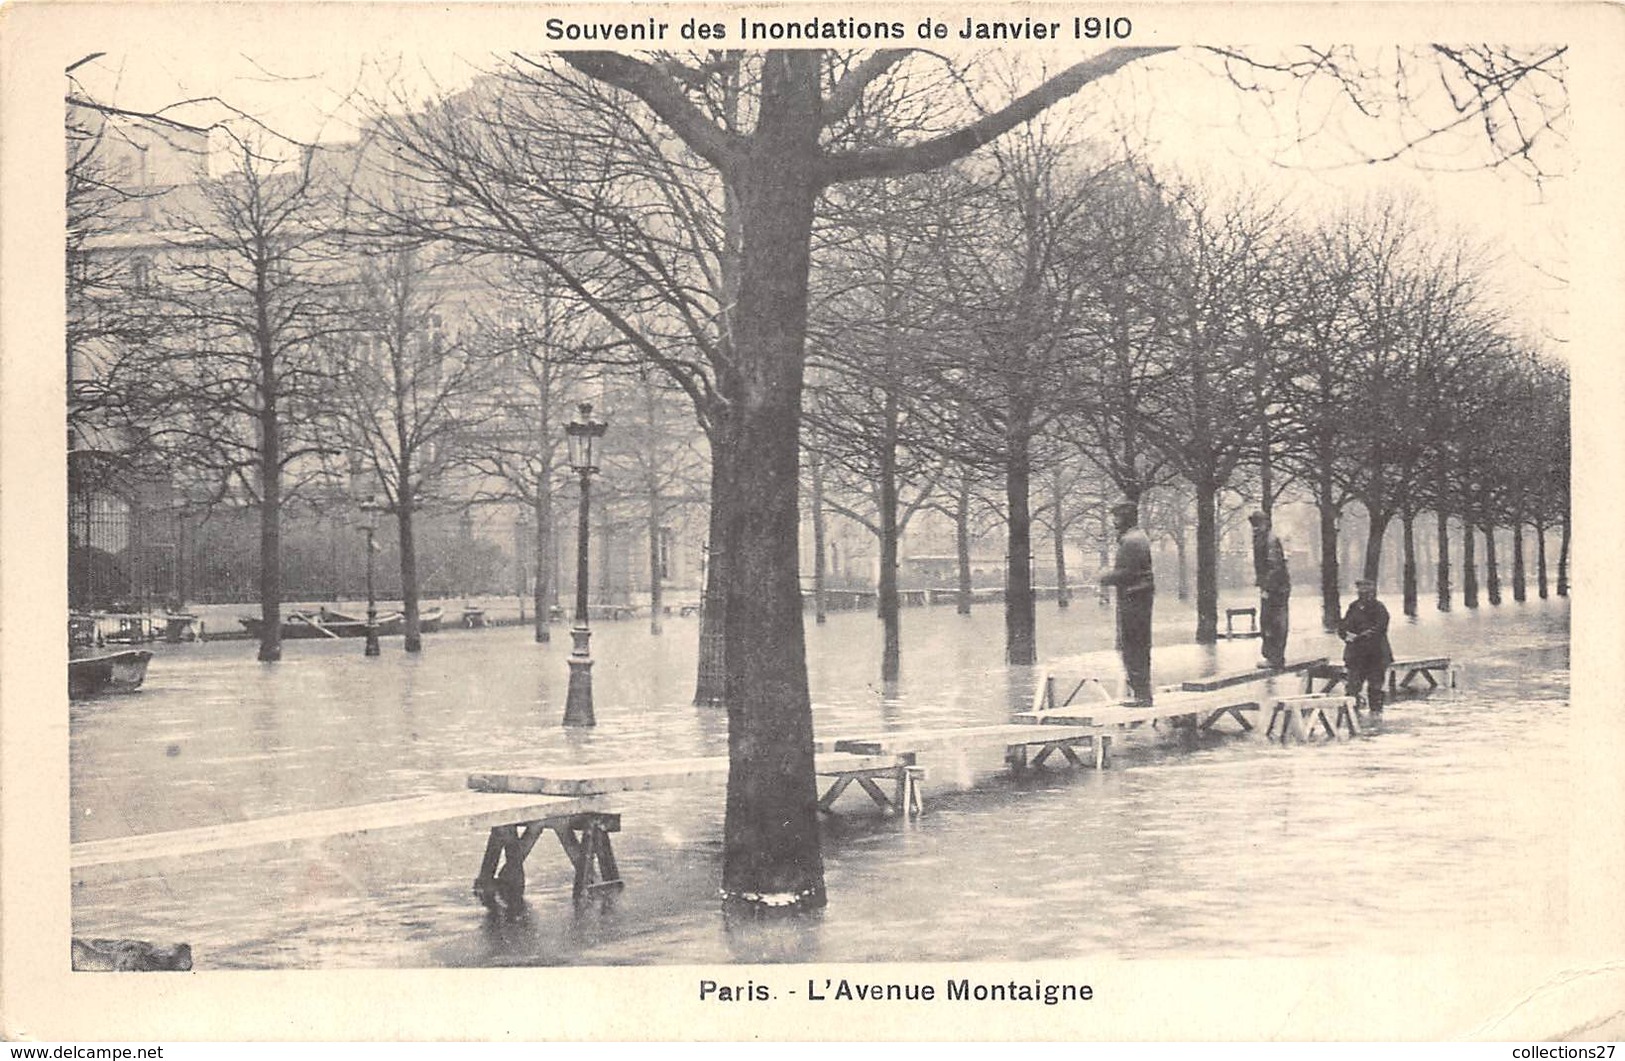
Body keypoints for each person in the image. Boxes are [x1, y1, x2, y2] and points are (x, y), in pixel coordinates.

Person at [1098, 500, 1155, 705]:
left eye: (1117, 517)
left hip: (1134, 598)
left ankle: (1141, 694)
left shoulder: (1131, 541)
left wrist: (1105, 576)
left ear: (1126, 518)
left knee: (1133, 645)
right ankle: (1141, 692)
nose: (1114, 521)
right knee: (1138, 644)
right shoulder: (1138, 538)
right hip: (1139, 597)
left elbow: (1127, 573)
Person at [1339, 577, 1393, 712]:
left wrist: (1361, 636)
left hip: (1376, 654)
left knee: (1375, 688)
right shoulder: (1353, 607)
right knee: (1352, 688)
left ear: (1372, 591)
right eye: (1360, 590)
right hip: (1356, 656)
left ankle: (1376, 717)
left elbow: (1380, 627)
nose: (1363, 593)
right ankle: (1353, 717)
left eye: (1367, 590)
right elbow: (1343, 626)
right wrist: (1346, 635)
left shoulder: (1379, 608)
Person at [1249, 509, 1291, 669]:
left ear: (1265, 524)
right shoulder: (1263, 538)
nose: (1255, 528)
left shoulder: (1270, 540)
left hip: (1276, 588)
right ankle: (1273, 656)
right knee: (1269, 621)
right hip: (1274, 587)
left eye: (1257, 525)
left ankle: (1275, 657)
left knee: (1273, 622)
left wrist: (1267, 587)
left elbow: (1274, 566)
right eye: (1253, 525)